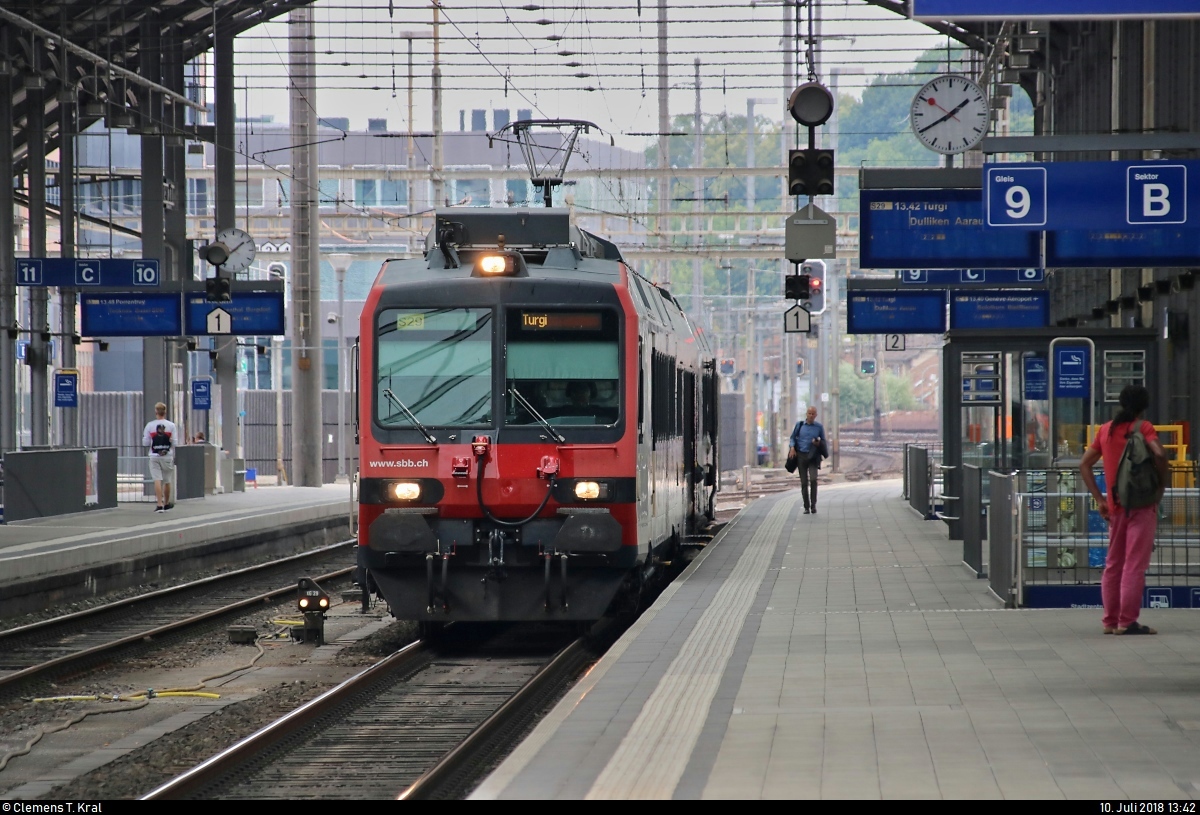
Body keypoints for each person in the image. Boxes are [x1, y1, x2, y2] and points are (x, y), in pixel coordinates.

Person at [1080, 385, 1169, 635]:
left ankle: (1110, 621)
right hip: (1142, 505)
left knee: (1114, 563)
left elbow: (1084, 464)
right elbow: (1159, 454)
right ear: (1143, 406)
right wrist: (1161, 484)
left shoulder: (1106, 430)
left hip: (1115, 507)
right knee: (1134, 565)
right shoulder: (1144, 428)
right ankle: (1127, 621)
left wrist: (1100, 499)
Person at [789, 405, 827, 515]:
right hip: (801, 456)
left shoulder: (819, 427)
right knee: (804, 482)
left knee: (814, 479)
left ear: (816, 415)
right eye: (809, 413)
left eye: (813, 414)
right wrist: (792, 447)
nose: (811, 416)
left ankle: (813, 505)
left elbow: (823, 441)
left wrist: (818, 443)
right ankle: (806, 506)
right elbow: (792, 437)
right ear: (806, 414)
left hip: (813, 456)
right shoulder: (799, 425)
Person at [142, 402, 178, 513]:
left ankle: (159, 504)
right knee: (167, 480)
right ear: (165, 412)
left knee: (157, 479)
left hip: (153, 455)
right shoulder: (171, 426)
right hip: (167, 456)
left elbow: (145, 442)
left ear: (156, 412)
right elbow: (175, 442)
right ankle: (167, 503)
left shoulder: (150, 425)